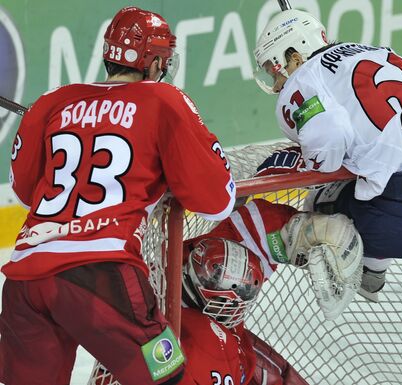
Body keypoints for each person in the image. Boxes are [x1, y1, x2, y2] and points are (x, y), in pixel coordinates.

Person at [0, 7, 235, 385]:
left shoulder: (54, 101)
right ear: (156, 61)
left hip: (25, 280)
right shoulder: (163, 100)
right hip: (99, 273)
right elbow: (216, 199)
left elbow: (26, 192)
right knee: (167, 374)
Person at [252, 9, 402, 299]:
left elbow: (328, 140)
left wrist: (309, 168)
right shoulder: (378, 52)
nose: (276, 85)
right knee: (380, 166)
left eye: (274, 70)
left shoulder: (301, 82)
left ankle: (367, 271)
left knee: (320, 196)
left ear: (296, 58)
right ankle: (373, 267)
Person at [177, 198, 363, 385]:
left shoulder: (184, 268)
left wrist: (311, 231)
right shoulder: (206, 348)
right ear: (217, 300)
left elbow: (263, 228)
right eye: (238, 302)